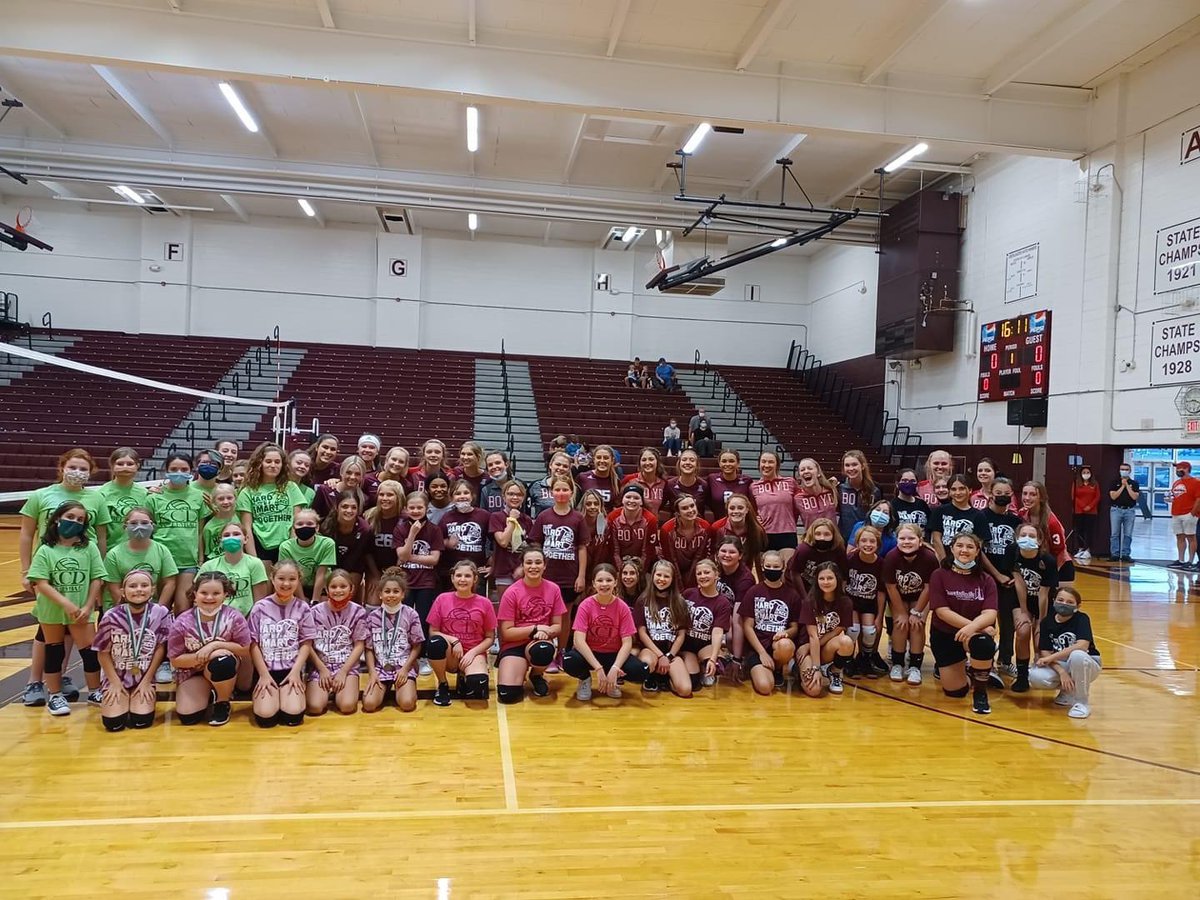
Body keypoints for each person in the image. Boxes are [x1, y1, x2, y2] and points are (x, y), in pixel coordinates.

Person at [27, 500, 106, 716]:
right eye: (70, 517)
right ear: (57, 519)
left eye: (80, 519)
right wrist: (66, 604)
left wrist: (89, 605)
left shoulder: (88, 548)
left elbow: (97, 578)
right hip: (52, 610)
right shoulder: (45, 550)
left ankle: (94, 691)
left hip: (82, 611)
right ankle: (55, 695)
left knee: (90, 653)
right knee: (54, 651)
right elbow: (41, 582)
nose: (75, 522)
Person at [928, 533, 999, 715]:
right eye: (959, 546)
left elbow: (990, 614)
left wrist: (973, 629)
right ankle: (974, 671)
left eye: (969, 547)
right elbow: (942, 612)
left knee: (983, 643)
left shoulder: (986, 580)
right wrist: (975, 626)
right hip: (945, 634)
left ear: (977, 551)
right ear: (951, 549)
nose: (964, 550)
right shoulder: (939, 575)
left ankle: (980, 693)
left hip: (973, 635)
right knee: (956, 692)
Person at [168, 571, 251, 727]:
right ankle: (209, 692)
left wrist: (216, 645)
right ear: (195, 593)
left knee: (222, 662)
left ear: (225, 594)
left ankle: (222, 701)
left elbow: (245, 649)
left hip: (222, 667)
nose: (209, 598)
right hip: (192, 671)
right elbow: (175, 659)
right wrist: (207, 655)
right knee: (188, 718)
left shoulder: (234, 617)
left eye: (216, 593)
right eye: (204, 593)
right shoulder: (182, 621)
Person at [93, 570, 171, 731]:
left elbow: (160, 648)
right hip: (116, 677)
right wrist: (114, 682)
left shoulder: (160, 613)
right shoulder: (111, 616)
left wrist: (147, 680)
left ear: (153, 589)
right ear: (123, 592)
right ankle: (121, 696)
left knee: (141, 721)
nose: (139, 589)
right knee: (113, 724)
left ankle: (136, 698)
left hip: (143, 677)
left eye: (144, 585)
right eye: (132, 586)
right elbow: (102, 652)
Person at [565, 564, 649, 699]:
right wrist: (598, 668)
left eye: (609, 580)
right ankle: (585, 679)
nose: (604, 584)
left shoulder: (622, 607)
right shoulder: (585, 605)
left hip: (613, 654)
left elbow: (627, 643)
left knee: (640, 672)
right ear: (593, 583)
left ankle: (612, 680)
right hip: (590, 653)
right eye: (600, 580)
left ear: (615, 582)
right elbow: (578, 640)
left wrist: (615, 668)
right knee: (570, 661)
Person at [248, 560, 316, 727]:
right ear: (272, 578)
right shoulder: (259, 607)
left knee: (293, 717)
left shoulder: (303, 608)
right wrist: (263, 674)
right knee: (266, 718)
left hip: (290, 670)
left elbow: (306, 643)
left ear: (299, 580)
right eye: (281, 578)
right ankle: (267, 698)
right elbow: (253, 643)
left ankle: (286, 695)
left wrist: (295, 673)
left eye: (292, 579)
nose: (286, 583)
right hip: (266, 671)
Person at [496, 545, 566, 703]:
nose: (533, 567)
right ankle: (518, 671)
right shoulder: (512, 592)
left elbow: (557, 626)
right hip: (515, 644)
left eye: (538, 562)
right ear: (522, 566)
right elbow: (506, 632)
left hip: (540, 641)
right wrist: (535, 629)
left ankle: (536, 674)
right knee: (508, 696)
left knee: (543, 650)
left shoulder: (553, 589)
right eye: (529, 563)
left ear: (544, 565)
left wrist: (545, 632)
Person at [426, 561, 497, 707]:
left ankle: (464, 676)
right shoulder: (442, 599)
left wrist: (472, 653)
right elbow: (433, 632)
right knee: (435, 643)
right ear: (452, 578)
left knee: (478, 687)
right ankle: (443, 684)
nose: (462, 579)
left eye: (467, 576)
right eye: (458, 575)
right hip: (450, 653)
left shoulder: (485, 603)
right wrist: (454, 640)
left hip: (473, 652)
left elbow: (490, 638)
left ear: (475, 579)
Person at [1001, 522, 1059, 692]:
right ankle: (1022, 676)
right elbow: (1018, 581)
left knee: (1040, 638)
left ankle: (1041, 669)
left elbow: (1044, 593)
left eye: (1032, 536)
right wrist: (1024, 611)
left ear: (1040, 540)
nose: (1027, 539)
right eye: (1023, 535)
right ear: (1017, 538)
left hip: (1041, 600)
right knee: (1023, 631)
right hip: (1019, 599)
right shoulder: (1012, 551)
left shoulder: (1047, 560)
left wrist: (1041, 621)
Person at [1028, 586, 1102, 718]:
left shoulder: (1082, 618)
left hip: (1088, 663)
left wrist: (1051, 658)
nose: (1064, 604)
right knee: (1036, 676)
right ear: (1054, 601)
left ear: (1078, 606)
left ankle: (1082, 702)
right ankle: (1067, 692)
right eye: (1060, 600)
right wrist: (1061, 672)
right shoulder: (1047, 622)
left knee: (1077, 655)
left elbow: (1082, 646)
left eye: (1070, 602)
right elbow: (1045, 651)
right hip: (1063, 664)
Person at [147, 452, 207, 607]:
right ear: (165, 471)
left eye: (184, 469)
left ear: (191, 471)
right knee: (160, 608)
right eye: (173, 469)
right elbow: (149, 531)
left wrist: (200, 560)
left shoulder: (199, 496)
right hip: (161, 559)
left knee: (183, 608)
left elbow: (199, 531)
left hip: (187, 561)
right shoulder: (153, 497)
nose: (178, 473)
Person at [882, 522, 939, 685]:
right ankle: (898, 664)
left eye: (911, 538)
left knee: (917, 624)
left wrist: (917, 612)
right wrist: (900, 612)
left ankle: (915, 666)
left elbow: (929, 587)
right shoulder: (892, 557)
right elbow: (890, 587)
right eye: (902, 538)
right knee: (900, 624)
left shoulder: (929, 557)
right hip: (898, 595)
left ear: (920, 541)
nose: (906, 542)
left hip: (920, 595)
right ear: (897, 540)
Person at [306, 569, 368, 716]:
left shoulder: (359, 612)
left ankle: (339, 692)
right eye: (333, 587)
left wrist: (343, 672)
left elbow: (359, 645)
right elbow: (307, 645)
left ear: (351, 588)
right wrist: (321, 669)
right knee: (315, 707)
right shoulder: (314, 612)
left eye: (343, 586)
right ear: (327, 589)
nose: (338, 590)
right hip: (321, 666)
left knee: (347, 707)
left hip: (346, 666)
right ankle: (324, 691)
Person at [740, 551, 803, 695]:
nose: (772, 569)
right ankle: (756, 667)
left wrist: (786, 633)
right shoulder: (754, 592)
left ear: (783, 567)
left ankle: (778, 668)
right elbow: (747, 626)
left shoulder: (792, 594)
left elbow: (795, 627)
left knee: (786, 645)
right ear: (762, 566)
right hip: (757, 646)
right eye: (768, 566)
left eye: (776, 566)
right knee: (765, 688)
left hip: (778, 643)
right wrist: (761, 652)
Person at [362, 568, 424, 713]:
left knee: (407, 704)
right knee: (369, 705)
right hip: (380, 668)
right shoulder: (372, 617)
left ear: (403, 594)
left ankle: (403, 687)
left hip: (403, 667)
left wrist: (405, 669)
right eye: (387, 591)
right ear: (380, 594)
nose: (391, 595)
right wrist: (372, 673)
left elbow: (417, 645)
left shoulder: (411, 614)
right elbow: (369, 648)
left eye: (396, 591)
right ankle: (385, 687)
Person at [394, 490, 444, 664]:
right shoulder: (401, 529)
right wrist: (412, 535)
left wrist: (409, 557)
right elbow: (401, 555)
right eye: (412, 508)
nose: (415, 511)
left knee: (422, 619)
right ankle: (404, 653)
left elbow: (434, 559)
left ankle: (422, 656)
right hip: (406, 582)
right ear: (406, 509)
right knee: (404, 618)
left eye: (419, 507)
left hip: (426, 582)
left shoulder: (434, 529)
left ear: (426, 508)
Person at [238, 442, 307, 564]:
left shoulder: (291, 487)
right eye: (268, 461)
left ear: (283, 465)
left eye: (277, 462)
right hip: (260, 547)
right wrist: (254, 560)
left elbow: (296, 522)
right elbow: (247, 528)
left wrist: (292, 550)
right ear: (260, 464)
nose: (273, 465)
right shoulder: (247, 491)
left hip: (286, 546)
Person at [633, 560, 693, 696]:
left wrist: (669, 655)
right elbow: (641, 633)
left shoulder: (680, 602)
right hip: (650, 650)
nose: (662, 579)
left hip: (671, 653)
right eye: (658, 575)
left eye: (666, 576)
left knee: (685, 690)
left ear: (672, 579)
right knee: (647, 662)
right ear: (653, 576)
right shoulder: (643, 600)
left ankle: (665, 678)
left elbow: (681, 635)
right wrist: (660, 656)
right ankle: (651, 676)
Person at [103, 506, 179, 613]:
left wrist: (158, 611)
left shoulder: (162, 550)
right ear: (125, 527)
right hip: (120, 608)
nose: (139, 527)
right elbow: (114, 587)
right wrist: (132, 612)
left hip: (152, 606)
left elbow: (170, 583)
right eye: (133, 523)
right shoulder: (114, 554)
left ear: (152, 526)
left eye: (144, 523)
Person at [795, 562, 856, 696]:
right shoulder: (809, 602)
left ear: (837, 579)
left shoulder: (846, 602)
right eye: (821, 578)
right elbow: (813, 636)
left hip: (824, 647)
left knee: (846, 642)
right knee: (814, 691)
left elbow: (837, 630)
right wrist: (815, 667)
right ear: (816, 580)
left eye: (830, 578)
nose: (826, 582)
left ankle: (834, 671)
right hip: (807, 647)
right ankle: (800, 670)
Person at [197, 521, 270, 617]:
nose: (231, 538)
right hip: (215, 619)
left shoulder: (255, 563)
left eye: (236, 534)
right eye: (226, 535)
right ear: (220, 541)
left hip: (246, 620)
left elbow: (259, 602)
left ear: (246, 539)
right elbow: (198, 598)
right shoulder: (208, 566)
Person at [683, 557, 733, 689]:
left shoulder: (723, 603)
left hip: (705, 644)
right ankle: (694, 667)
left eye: (706, 572)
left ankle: (707, 663)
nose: (702, 576)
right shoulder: (688, 594)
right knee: (693, 684)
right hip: (687, 645)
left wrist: (713, 658)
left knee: (717, 665)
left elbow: (717, 632)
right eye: (699, 573)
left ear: (716, 575)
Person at [844, 524, 888, 677]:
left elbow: (882, 592)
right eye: (864, 541)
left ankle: (864, 659)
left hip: (870, 603)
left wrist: (879, 616)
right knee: (853, 629)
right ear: (857, 543)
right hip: (852, 602)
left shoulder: (881, 564)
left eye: (872, 542)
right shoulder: (850, 558)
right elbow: (843, 583)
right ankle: (847, 660)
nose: (868, 545)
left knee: (870, 631)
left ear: (878, 544)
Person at [321, 491, 376, 598]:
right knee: (325, 599)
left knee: (345, 596)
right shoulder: (326, 527)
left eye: (353, 507)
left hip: (353, 568)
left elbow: (362, 556)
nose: (349, 511)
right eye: (345, 507)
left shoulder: (364, 529)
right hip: (330, 567)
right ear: (337, 507)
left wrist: (375, 576)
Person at [439, 479, 492, 588]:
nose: (462, 496)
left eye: (466, 493)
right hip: (452, 570)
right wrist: (447, 543)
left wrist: (493, 565)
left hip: (477, 570)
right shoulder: (446, 517)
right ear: (451, 498)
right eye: (457, 493)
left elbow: (497, 541)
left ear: (472, 496)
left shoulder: (484, 516)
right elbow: (436, 542)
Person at [1019, 481, 1074, 585]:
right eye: (1024, 493)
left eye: (1033, 494)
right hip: (1038, 567)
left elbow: (1059, 552)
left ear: (1042, 498)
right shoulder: (1022, 514)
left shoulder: (1051, 522)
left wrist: (1050, 574)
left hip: (1061, 568)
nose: (1027, 497)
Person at [751, 450, 801, 563]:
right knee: (765, 573)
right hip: (764, 534)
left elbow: (799, 505)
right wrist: (755, 520)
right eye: (763, 462)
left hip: (787, 533)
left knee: (787, 572)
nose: (766, 465)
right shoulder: (753, 486)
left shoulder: (790, 482)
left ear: (777, 465)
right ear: (759, 464)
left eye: (771, 462)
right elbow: (751, 509)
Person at [491, 481, 535, 609]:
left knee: (523, 610)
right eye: (510, 494)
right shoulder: (496, 517)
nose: (515, 497)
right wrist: (512, 520)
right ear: (503, 496)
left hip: (524, 572)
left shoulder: (527, 520)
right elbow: (503, 542)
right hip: (504, 571)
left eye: (519, 494)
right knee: (505, 611)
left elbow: (531, 548)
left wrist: (522, 567)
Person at [929, 474, 990, 562]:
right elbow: (936, 539)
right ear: (949, 491)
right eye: (953, 489)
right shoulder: (940, 511)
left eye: (962, 488)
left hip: (967, 563)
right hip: (945, 562)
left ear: (970, 490)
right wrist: (944, 563)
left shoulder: (978, 515)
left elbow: (978, 546)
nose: (957, 493)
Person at [279, 507, 336, 601]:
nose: (304, 526)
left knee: (323, 602)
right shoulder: (285, 547)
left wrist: (315, 600)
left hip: (322, 586)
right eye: (300, 524)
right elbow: (292, 575)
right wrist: (302, 600)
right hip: (297, 585)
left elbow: (321, 573)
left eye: (309, 524)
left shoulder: (327, 544)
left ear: (317, 527)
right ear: (294, 528)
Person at [97, 447, 150, 546]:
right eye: (120, 464)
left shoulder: (145, 493)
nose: (125, 467)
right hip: (110, 550)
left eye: (130, 464)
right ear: (112, 466)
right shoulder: (102, 493)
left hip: (138, 548)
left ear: (137, 466)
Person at [659, 495, 712, 589]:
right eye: (684, 508)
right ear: (677, 513)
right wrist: (679, 586)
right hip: (673, 568)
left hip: (695, 569)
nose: (690, 510)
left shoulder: (705, 527)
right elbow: (671, 559)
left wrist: (690, 585)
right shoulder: (667, 530)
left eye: (692, 506)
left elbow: (699, 557)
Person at [788, 517, 848, 595]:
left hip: (824, 586)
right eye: (817, 534)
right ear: (812, 534)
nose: (822, 538)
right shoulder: (803, 550)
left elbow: (843, 575)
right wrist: (804, 597)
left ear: (833, 535)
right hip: (798, 585)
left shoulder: (839, 550)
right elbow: (794, 573)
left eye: (827, 534)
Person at [710, 493, 766, 577]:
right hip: (721, 574)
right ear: (727, 510)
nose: (736, 511)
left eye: (740, 508)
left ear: (747, 510)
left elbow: (757, 557)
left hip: (745, 574)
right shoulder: (716, 528)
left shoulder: (757, 530)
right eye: (732, 508)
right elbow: (712, 554)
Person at [607, 483, 659, 570]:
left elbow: (647, 552)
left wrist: (640, 571)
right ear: (622, 499)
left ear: (642, 501)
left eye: (636, 498)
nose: (631, 500)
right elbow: (614, 550)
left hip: (642, 565)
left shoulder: (650, 520)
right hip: (619, 564)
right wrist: (621, 571)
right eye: (628, 497)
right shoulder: (612, 517)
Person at [837, 450, 881, 540]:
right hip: (843, 537)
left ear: (863, 466)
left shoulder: (875, 489)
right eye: (847, 465)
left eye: (854, 464)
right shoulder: (839, 487)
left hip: (865, 538)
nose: (851, 468)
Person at [1167, 460, 1200, 568]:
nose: (1177, 470)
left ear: (1187, 469)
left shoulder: (1195, 482)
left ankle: (1190, 561)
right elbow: (1176, 496)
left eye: (1180, 468)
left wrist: (1193, 513)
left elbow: (1198, 499)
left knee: (1191, 537)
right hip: (1176, 513)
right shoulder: (1176, 482)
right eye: (1177, 468)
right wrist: (1170, 499)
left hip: (1189, 513)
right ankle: (1181, 560)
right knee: (1179, 537)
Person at [704, 450, 753, 521]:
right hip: (719, 526)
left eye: (731, 461)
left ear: (738, 463)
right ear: (719, 463)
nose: (727, 464)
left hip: (742, 525)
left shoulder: (747, 481)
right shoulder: (712, 479)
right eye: (724, 461)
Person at [622, 447, 669, 517]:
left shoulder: (663, 483)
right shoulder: (630, 479)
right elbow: (619, 502)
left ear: (657, 462)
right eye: (644, 460)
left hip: (652, 524)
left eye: (651, 459)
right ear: (639, 463)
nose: (647, 463)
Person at [1108, 462, 1139, 562]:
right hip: (1116, 510)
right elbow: (1113, 496)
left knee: (1128, 534)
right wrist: (1122, 486)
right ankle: (1115, 554)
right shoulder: (1114, 482)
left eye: (1126, 469)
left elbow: (1134, 496)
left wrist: (1127, 486)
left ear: (1129, 471)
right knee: (1114, 533)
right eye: (1122, 469)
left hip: (1129, 510)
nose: (1124, 471)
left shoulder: (1134, 483)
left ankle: (1126, 554)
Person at [201, 483, 239, 563]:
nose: (226, 502)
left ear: (235, 498)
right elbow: (209, 554)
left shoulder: (240, 518)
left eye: (229, 498)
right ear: (214, 502)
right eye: (221, 499)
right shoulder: (209, 528)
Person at [577, 444, 621, 510]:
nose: (602, 461)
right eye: (599, 457)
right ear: (594, 459)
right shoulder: (582, 477)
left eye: (606, 458)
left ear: (612, 460)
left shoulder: (616, 481)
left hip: (606, 519)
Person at [1070, 466, 1100, 563]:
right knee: (1079, 530)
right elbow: (1074, 496)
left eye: (1088, 472)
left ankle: (1087, 550)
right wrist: (1083, 506)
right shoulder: (1076, 483)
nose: (1086, 474)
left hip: (1091, 512)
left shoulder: (1095, 484)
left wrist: (1089, 506)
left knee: (1089, 531)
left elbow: (1097, 497)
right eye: (1084, 472)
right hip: (1079, 511)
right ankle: (1080, 548)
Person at [892, 467, 932, 533]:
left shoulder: (922, 504)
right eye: (904, 480)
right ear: (897, 484)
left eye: (912, 481)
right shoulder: (892, 505)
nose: (908, 483)